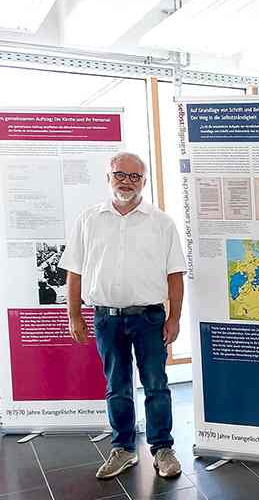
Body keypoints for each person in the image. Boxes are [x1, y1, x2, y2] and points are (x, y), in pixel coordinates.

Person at [60, 152, 185, 480]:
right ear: (109, 177)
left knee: (156, 384)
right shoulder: (89, 219)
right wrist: (74, 315)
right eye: (120, 174)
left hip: (150, 319)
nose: (127, 181)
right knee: (117, 385)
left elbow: (175, 275)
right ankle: (124, 449)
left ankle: (162, 449)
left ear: (144, 181)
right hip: (106, 318)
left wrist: (174, 319)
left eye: (134, 176)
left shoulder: (161, 222)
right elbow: (74, 271)